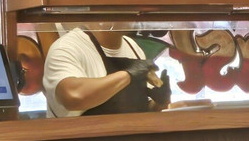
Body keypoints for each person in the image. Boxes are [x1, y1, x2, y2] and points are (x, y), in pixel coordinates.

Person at [42, 24, 170, 117]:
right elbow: (72, 96)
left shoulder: (132, 46)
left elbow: (141, 109)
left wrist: (159, 103)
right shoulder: (67, 48)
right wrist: (128, 75)